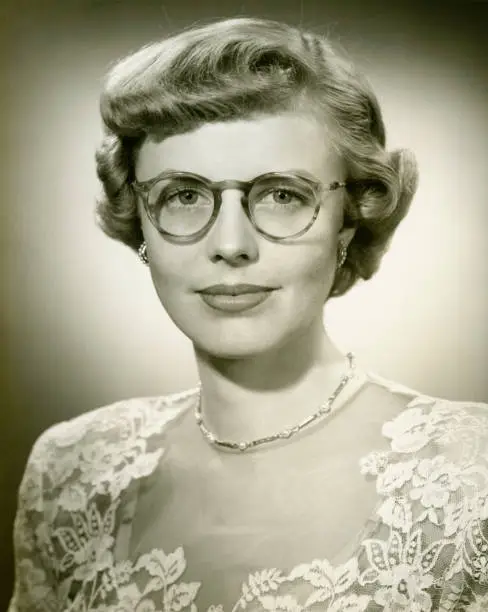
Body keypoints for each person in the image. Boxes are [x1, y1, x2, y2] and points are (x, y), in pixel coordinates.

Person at [8, 16, 488, 612]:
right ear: (140, 224)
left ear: (350, 219)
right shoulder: (70, 472)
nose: (231, 244)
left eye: (283, 195)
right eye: (183, 195)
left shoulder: (473, 476)